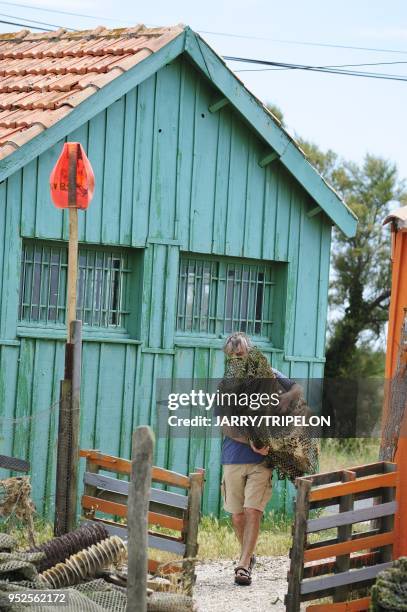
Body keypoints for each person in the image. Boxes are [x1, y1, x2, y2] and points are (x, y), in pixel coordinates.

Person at [219, 332, 302, 586]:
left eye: (241, 355)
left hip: (262, 461)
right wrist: (252, 442)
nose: (237, 360)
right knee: (237, 516)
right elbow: (225, 424)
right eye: (232, 356)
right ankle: (249, 555)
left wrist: (285, 399)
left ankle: (243, 565)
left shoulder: (271, 374)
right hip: (233, 456)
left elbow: (297, 389)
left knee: (252, 510)